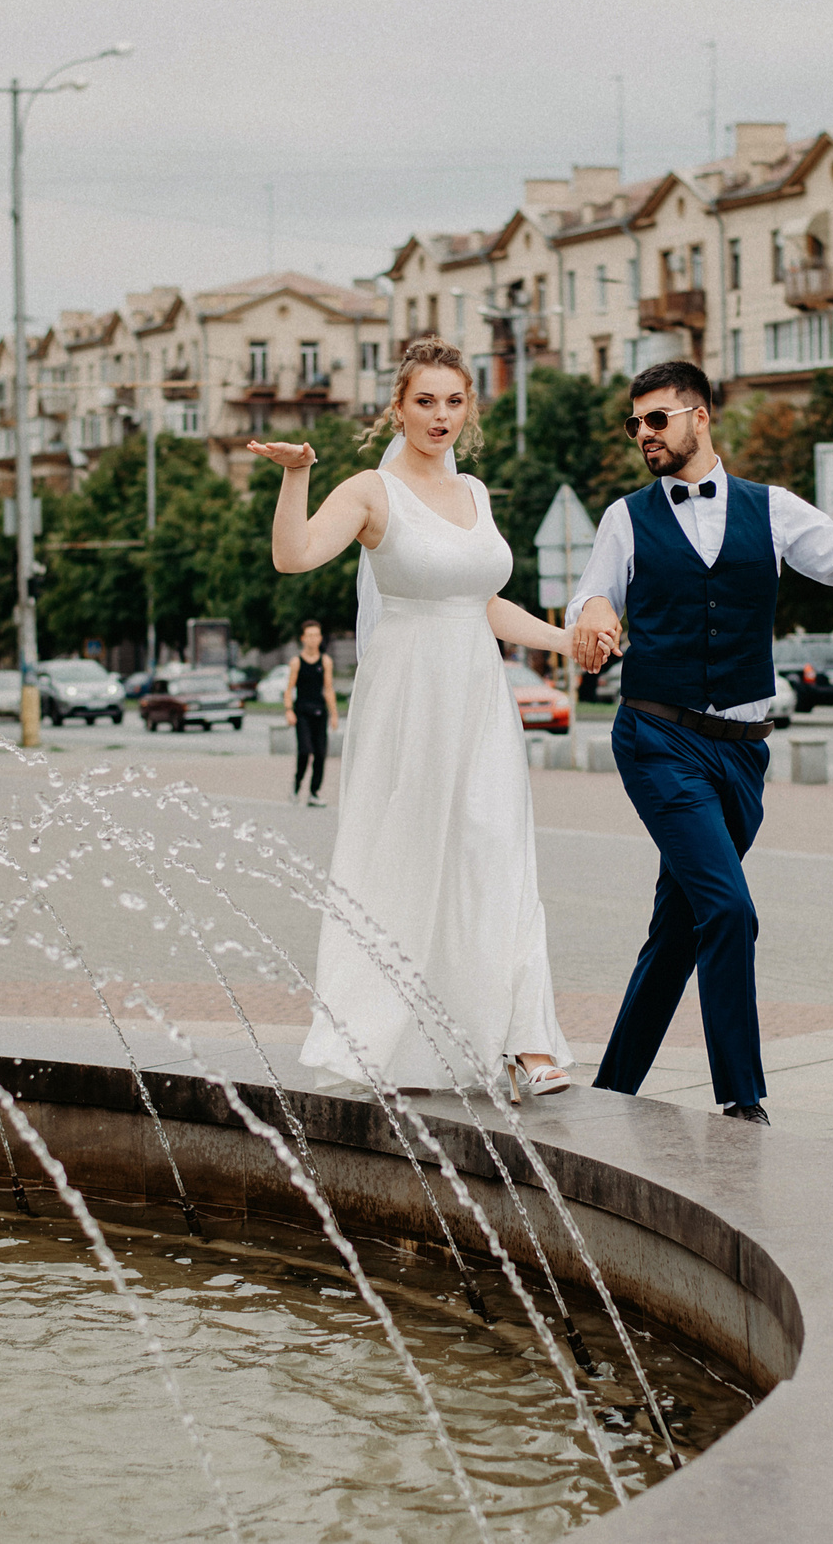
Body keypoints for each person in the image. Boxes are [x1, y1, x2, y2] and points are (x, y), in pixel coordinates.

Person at [568, 360, 833, 1126]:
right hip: (657, 737)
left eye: (656, 420)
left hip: (743, 752)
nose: (643, 436)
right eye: (634, 425)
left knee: (678, 926)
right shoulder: (626, 518)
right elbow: (591, 590)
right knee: (728, 910)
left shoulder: (772, 508)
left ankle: (610, 1094)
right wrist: (594, 615)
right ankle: (742, 1099)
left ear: (700, 417)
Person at [252, 335, 577, 1100]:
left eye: (454, 401)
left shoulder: (478, 495)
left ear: (470, 409)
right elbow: (293, 555)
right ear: (397, 406)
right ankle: (393, 1034)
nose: (441, 415)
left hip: (479, 698)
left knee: (497, 851)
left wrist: (564, 637)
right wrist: (298, 475)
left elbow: (483, 602)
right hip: (408, 703)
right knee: (407, 861)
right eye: (425, 400)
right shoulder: (373, 490)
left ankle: (525, 1039)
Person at [284, 619, 337, 806]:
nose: (313, 639)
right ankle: (296, 785)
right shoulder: (296, 662)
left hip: (320, 712)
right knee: (305, 751)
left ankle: (314, 793)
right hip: (302, 713)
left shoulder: (326, 661)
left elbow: (328, 688)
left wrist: (334, 714)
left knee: (321, 754)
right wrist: (289, 710)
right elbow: (289, 689)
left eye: (316, 635)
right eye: (310, 635)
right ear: (303, 638)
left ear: (320, 638)